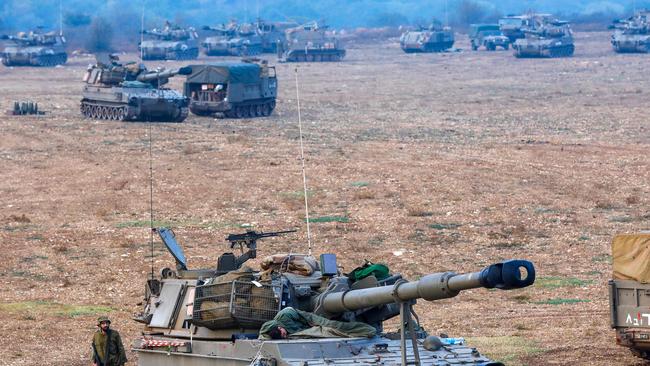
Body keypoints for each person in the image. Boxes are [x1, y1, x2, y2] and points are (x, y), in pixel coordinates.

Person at [259, 307, 376, 340]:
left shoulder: (284, 316)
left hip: (310, 320)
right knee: (331, 331)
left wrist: (312, 325)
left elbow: (302, 319)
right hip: (307, 324)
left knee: (335, 326)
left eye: (284, 334)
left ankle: (367, 330)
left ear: (279, 327)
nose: (286, 335)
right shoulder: (273, 328)